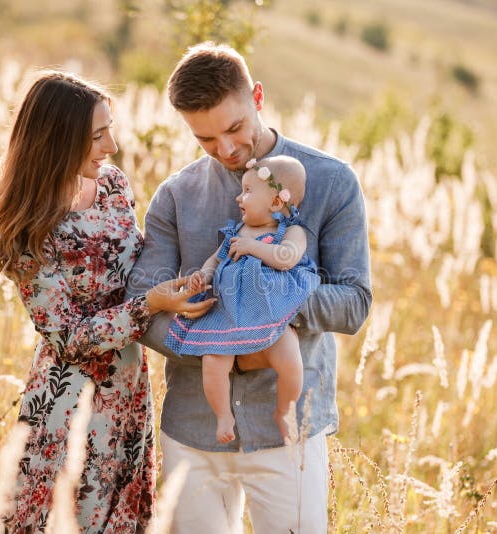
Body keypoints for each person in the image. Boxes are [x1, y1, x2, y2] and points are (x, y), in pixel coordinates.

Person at [126, 43, 372, 533]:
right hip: (193, 430)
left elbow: (354, 304)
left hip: (289, 435)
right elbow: (143, 307)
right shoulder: (175, 196)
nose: (226, 150)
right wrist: (222, 346)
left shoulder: (331, 182)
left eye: (235, 128)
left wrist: (266, 307)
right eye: (206, 139)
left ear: (257, 97)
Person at [0, 71, 213, 532]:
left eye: (110, 129)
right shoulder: (28, 226)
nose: (111, 146)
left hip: (129, 390)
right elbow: (66, 337)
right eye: (97, 135)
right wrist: (151, 305)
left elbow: (141, 264)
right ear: (57, 141)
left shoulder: (112, 186)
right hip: (69, 403)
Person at [164, 155, 319, 444]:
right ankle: (223, 414)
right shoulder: (237, 232)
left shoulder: (291, 232)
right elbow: (216, 258)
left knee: (290, 361)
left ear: (276, 203)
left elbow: (287, 259)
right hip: (230, 313)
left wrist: (253, 248)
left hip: (273, 312)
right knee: (213, 362)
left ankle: (284, 410)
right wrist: (204, 275)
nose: (239, 197)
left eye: (248, 191)